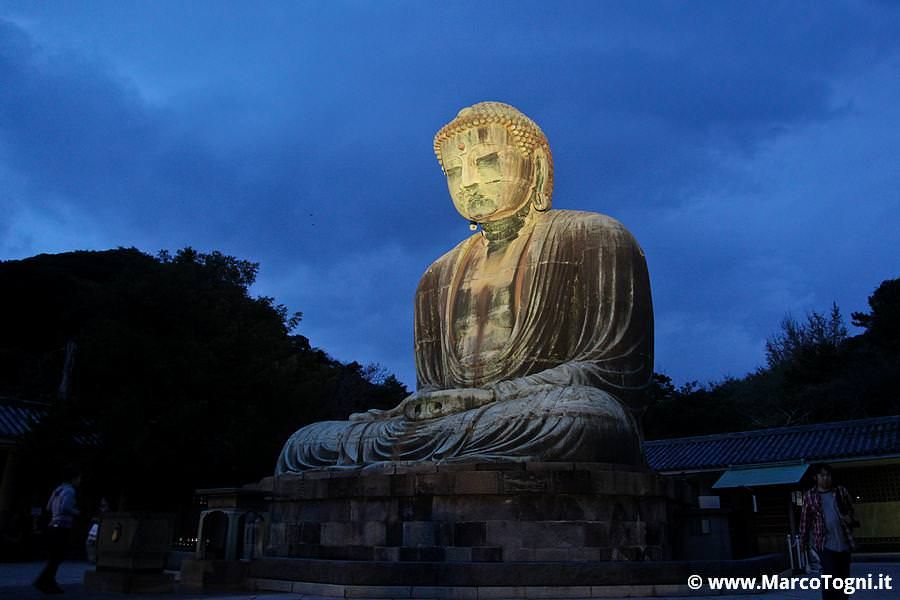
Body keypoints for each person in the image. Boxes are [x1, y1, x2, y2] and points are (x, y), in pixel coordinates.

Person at [277, 101, 653, 472]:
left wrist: (491, 395)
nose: (469, 182)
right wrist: (412, 409)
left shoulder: (595, 237)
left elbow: (615, 373)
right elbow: (432, 390)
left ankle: (421, 461)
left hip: (540, 410)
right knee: (305, 443)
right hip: (463, 422)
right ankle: (429, 459)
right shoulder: (436, 276)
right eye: (454, 171)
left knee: (586, 417)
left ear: (535, 165)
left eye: (486, 162)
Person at [799, 463, 857, 600]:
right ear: (816, 477)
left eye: (828, 475)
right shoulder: (810, 496)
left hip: (844, 542)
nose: (826, 478)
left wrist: (850, 517)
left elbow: (851, 509)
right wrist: (803, 540)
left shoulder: (840, 491)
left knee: (844, 578)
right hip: (824, 543)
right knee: (831, 576)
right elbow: (804, 520)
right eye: (822, 475)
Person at [33, 471, 81, 595]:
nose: (80, 481)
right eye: (79, 478)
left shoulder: (58, 489)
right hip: (62, 527)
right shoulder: (70, 491)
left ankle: (49, 582)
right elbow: (65, 507)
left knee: (55, 557)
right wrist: (76, 512)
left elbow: (48, 507)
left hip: (52, 525)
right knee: (57, 557)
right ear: (73, 478)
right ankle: (43, 581)